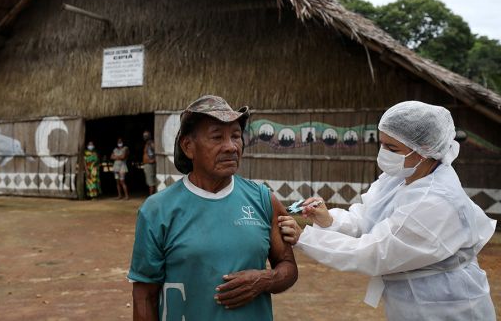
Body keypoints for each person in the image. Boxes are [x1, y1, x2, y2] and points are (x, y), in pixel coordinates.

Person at [278, 101, 497, 320]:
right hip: (410, 303)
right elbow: (367, 219)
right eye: (382, 144)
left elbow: (374, 253)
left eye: (392, 148)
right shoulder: (399, 177)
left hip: (447, 307)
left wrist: (305, 237)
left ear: (426, 150)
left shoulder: (436, 201)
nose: (384, 153)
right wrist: (329, 221)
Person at [128, 95, 298, 321]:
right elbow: (144, 295)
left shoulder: (264, 200)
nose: (230, 147)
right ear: (188, 146)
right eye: (217, 137)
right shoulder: (157, 210)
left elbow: (288, 266)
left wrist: (265, 280)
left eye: (236, 136)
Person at [141, 130, 157, 195]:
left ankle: (151, 198)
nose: (144, 137)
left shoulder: (151, 143)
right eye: (144, 135)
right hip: (148, 165)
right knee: (150, 182)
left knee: (151, 182)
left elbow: (156, 152)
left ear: (149, 136)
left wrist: (153, 160)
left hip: (150, 165)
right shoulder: (147, 143)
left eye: (146, 135)